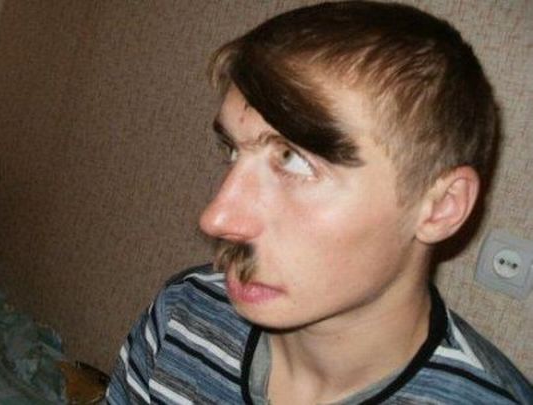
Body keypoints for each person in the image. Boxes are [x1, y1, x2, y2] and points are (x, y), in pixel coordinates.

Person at [106, 1, 533, 404]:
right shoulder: (183, 316)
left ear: (441, 207)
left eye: (293, 159)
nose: (216, 218)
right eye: (233, 150)